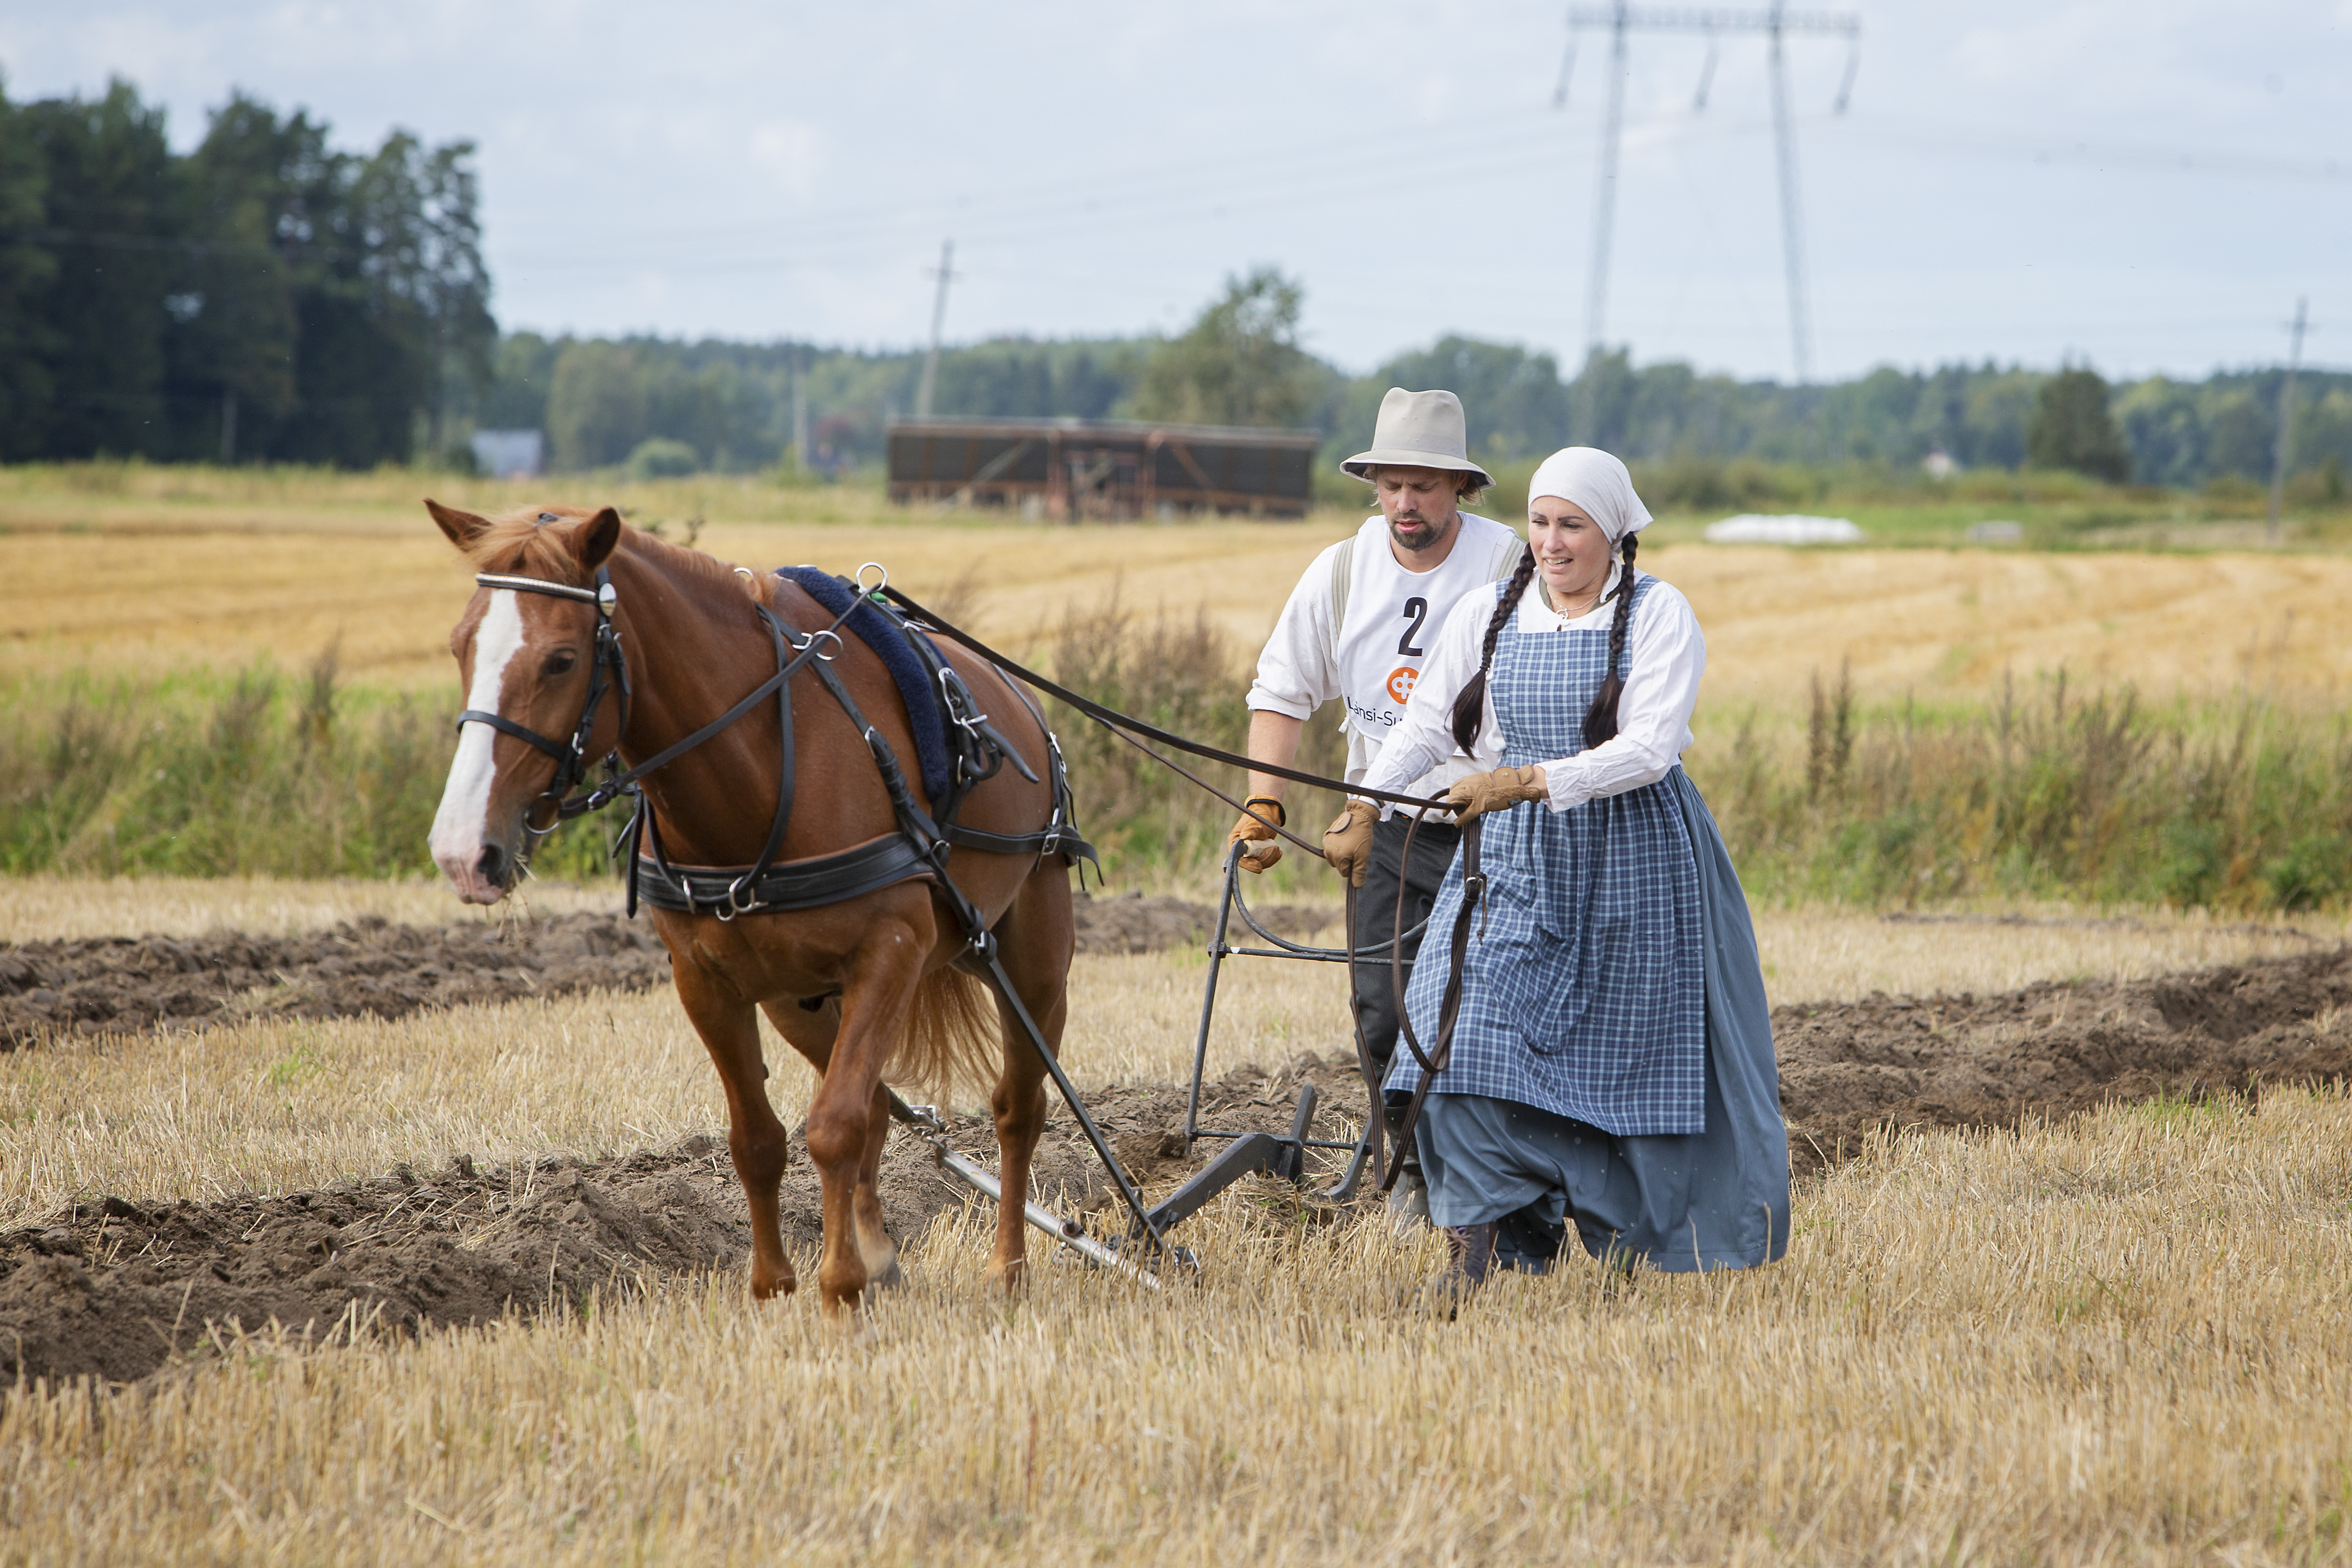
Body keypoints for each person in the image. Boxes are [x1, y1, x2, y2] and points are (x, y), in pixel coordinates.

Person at [1328, 446, 1789, 1288]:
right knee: (1447, 1034)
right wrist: (1365, 801)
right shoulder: (1489, 612)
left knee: (1625, 1063)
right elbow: (1426, 727)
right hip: (1514, 860)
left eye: (1570, 525)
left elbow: (1648, 749)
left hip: (1635, 860)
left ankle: (1618, 1233)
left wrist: (1530, 779)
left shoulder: (1658, 613)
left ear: (1611, 531)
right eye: (1539, 522)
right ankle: (1474, 1248)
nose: (1550, 541)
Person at [1231, 388, 1522, 1215]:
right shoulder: (1344, 568)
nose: (1404, 503)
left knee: (1479, 1013)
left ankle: (1489, 1185)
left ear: (1459, 489)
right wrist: (1266, 805)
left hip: (1492, 830)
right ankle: (1410, 1177)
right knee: (1382, 1015)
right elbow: (1282, 689)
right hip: (1382, 827)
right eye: (1391, 484)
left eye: (1423, 486)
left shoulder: (1509, 568)